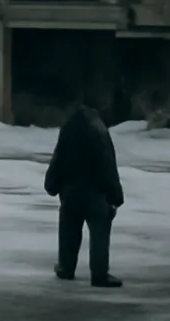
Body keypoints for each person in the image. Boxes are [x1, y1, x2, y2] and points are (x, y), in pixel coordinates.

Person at [44, 102, 124, 288]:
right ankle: (99, 274)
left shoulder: (68, 130)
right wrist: (115, 197)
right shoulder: (99, 131)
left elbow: (58, 160)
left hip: (70, 192)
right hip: (95, 194)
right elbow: (107, 166)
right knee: (99, 233)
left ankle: (66, 267)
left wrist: (52, 185)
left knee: (69, 230)